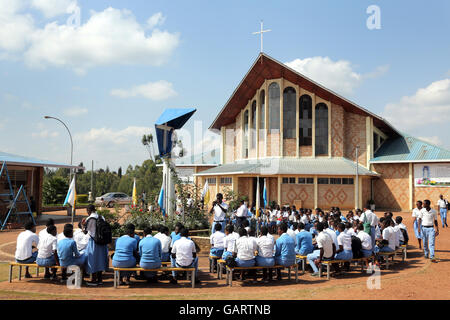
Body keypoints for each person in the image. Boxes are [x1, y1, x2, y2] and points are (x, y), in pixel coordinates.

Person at [84, 204, 109, 286]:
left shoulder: (90, 218)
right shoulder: (101, 217)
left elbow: (85, 231)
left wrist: (82, 224)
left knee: (93, 260)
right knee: (101, 260)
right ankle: (100, 279)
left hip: (94, 242)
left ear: (88, 211)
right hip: (102, 242)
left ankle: (94, 280)